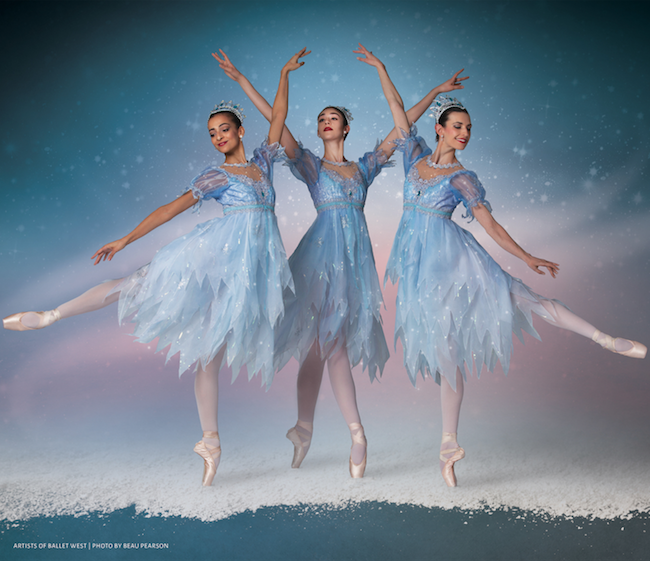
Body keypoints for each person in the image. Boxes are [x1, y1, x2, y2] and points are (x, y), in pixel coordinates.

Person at [3, 48, 310, 486]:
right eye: (211, 133)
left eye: (224, 129)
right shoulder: (214, 176)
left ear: (241, 131)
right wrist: (127, 238)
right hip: (214, 259)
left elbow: (279, 112)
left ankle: (210, 443)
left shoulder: (263, 161)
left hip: (253, 271)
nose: (218, 137)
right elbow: (169, 209)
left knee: (209, 352)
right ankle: (50, 315)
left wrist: (273, 74)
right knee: (133, 285)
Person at [355, 44, 647, 488]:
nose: (464, 133)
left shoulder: (463, 177)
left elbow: (489, 224)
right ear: (439, 128)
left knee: (526, 297)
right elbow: (398, 110)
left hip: (454, 258)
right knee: (446, 353)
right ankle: (448, 446)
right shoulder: (413, 157)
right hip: (419, 272)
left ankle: (603, 338)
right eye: (457, 126)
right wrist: (389, 70)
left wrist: (526, 256)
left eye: (468, 128)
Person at [213, 49, 467, 478]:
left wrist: (431, 91)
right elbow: (276, 119)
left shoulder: (365, 167)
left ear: (346, 127)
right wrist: (246, 78)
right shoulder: (310, 165)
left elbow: (402, 124)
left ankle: (303, 428)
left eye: (333, 117)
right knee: (330, 346)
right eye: (321, 118)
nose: (325, 121)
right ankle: (357, 434)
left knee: (319, 347)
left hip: (352, 266)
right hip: (317, 261)